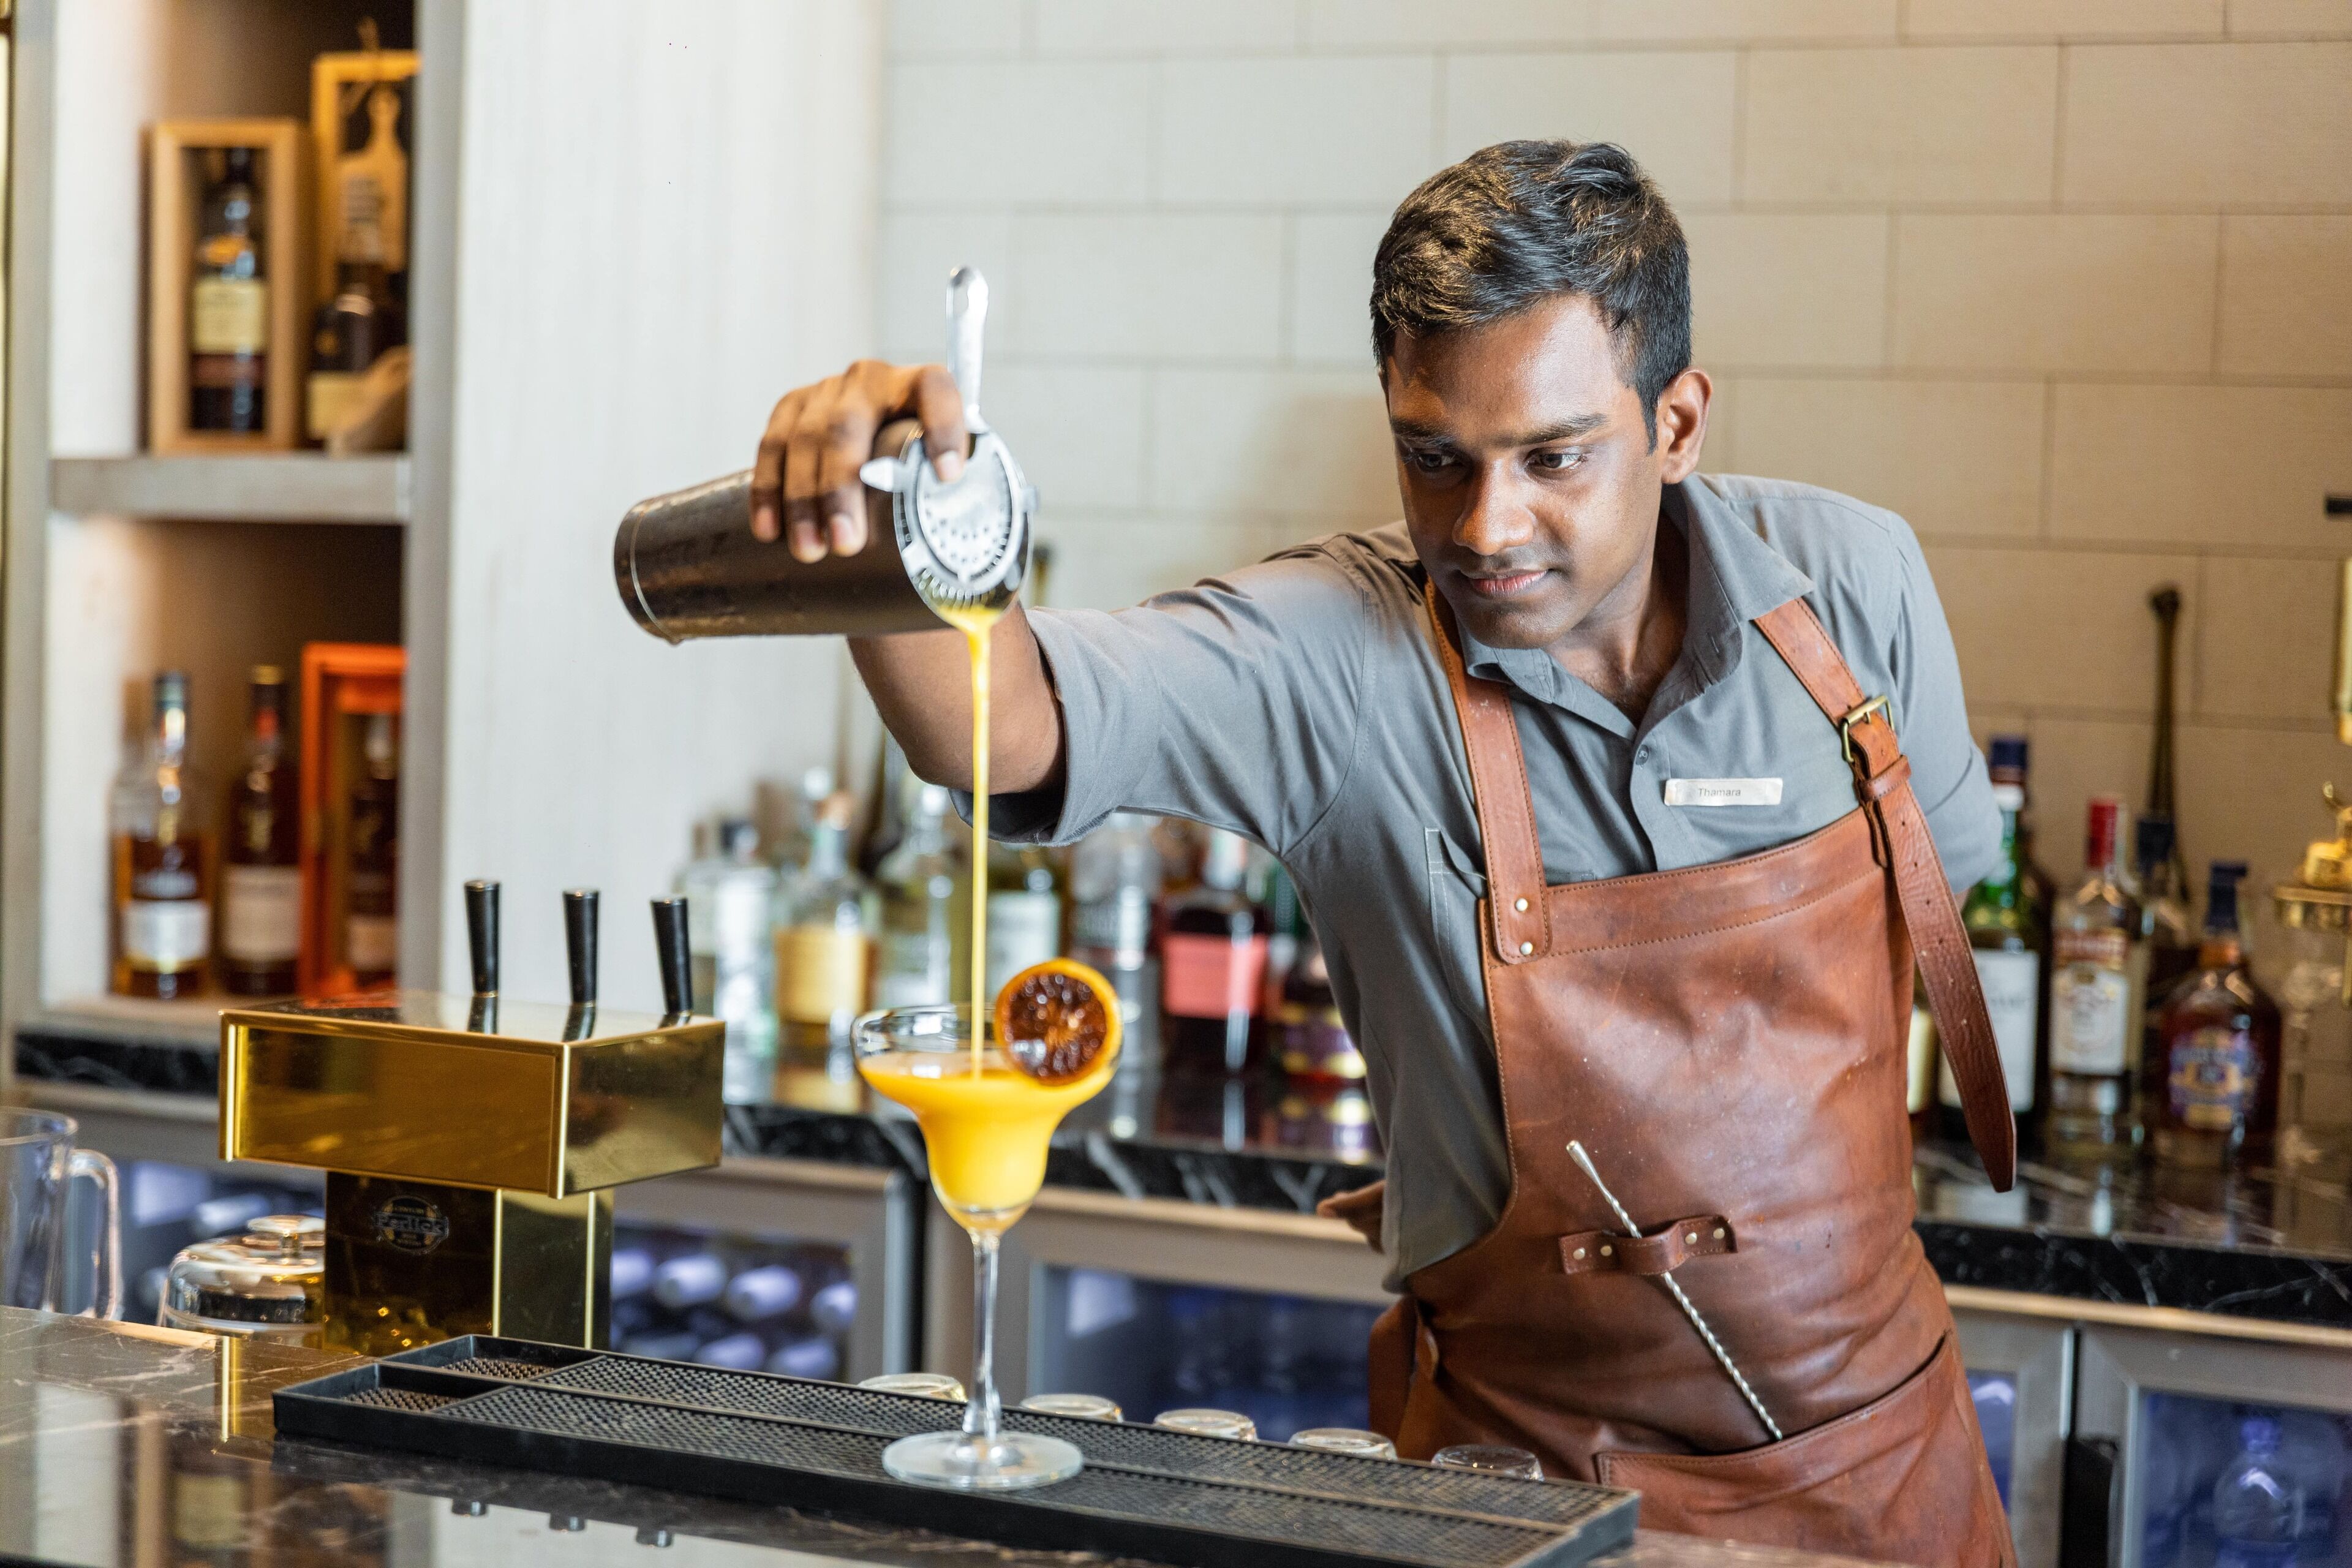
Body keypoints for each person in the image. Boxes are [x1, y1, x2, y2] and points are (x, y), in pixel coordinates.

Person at [750, 140, 2016, 1564]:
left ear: (1679, 422)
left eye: (1554, 457)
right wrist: (883, 538)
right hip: (1527, 1503)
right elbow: (1002, 725)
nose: (1487, 527)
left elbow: (1935, 904)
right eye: (1435, 458)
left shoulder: (1854, 587)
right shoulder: (1343, 660)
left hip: (1894, 1475)